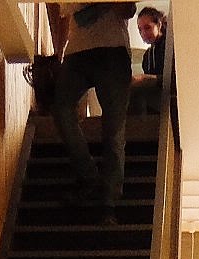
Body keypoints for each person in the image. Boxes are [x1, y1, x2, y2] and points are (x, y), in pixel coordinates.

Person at [46, 2, 135, 218]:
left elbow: (129, 10)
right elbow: (62, 16)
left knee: (113, 129)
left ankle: (109, 201)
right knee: (62, 110)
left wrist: (103, 5)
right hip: (77, 52)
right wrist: (58, 54)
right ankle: (90, 178)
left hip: (113, 50)